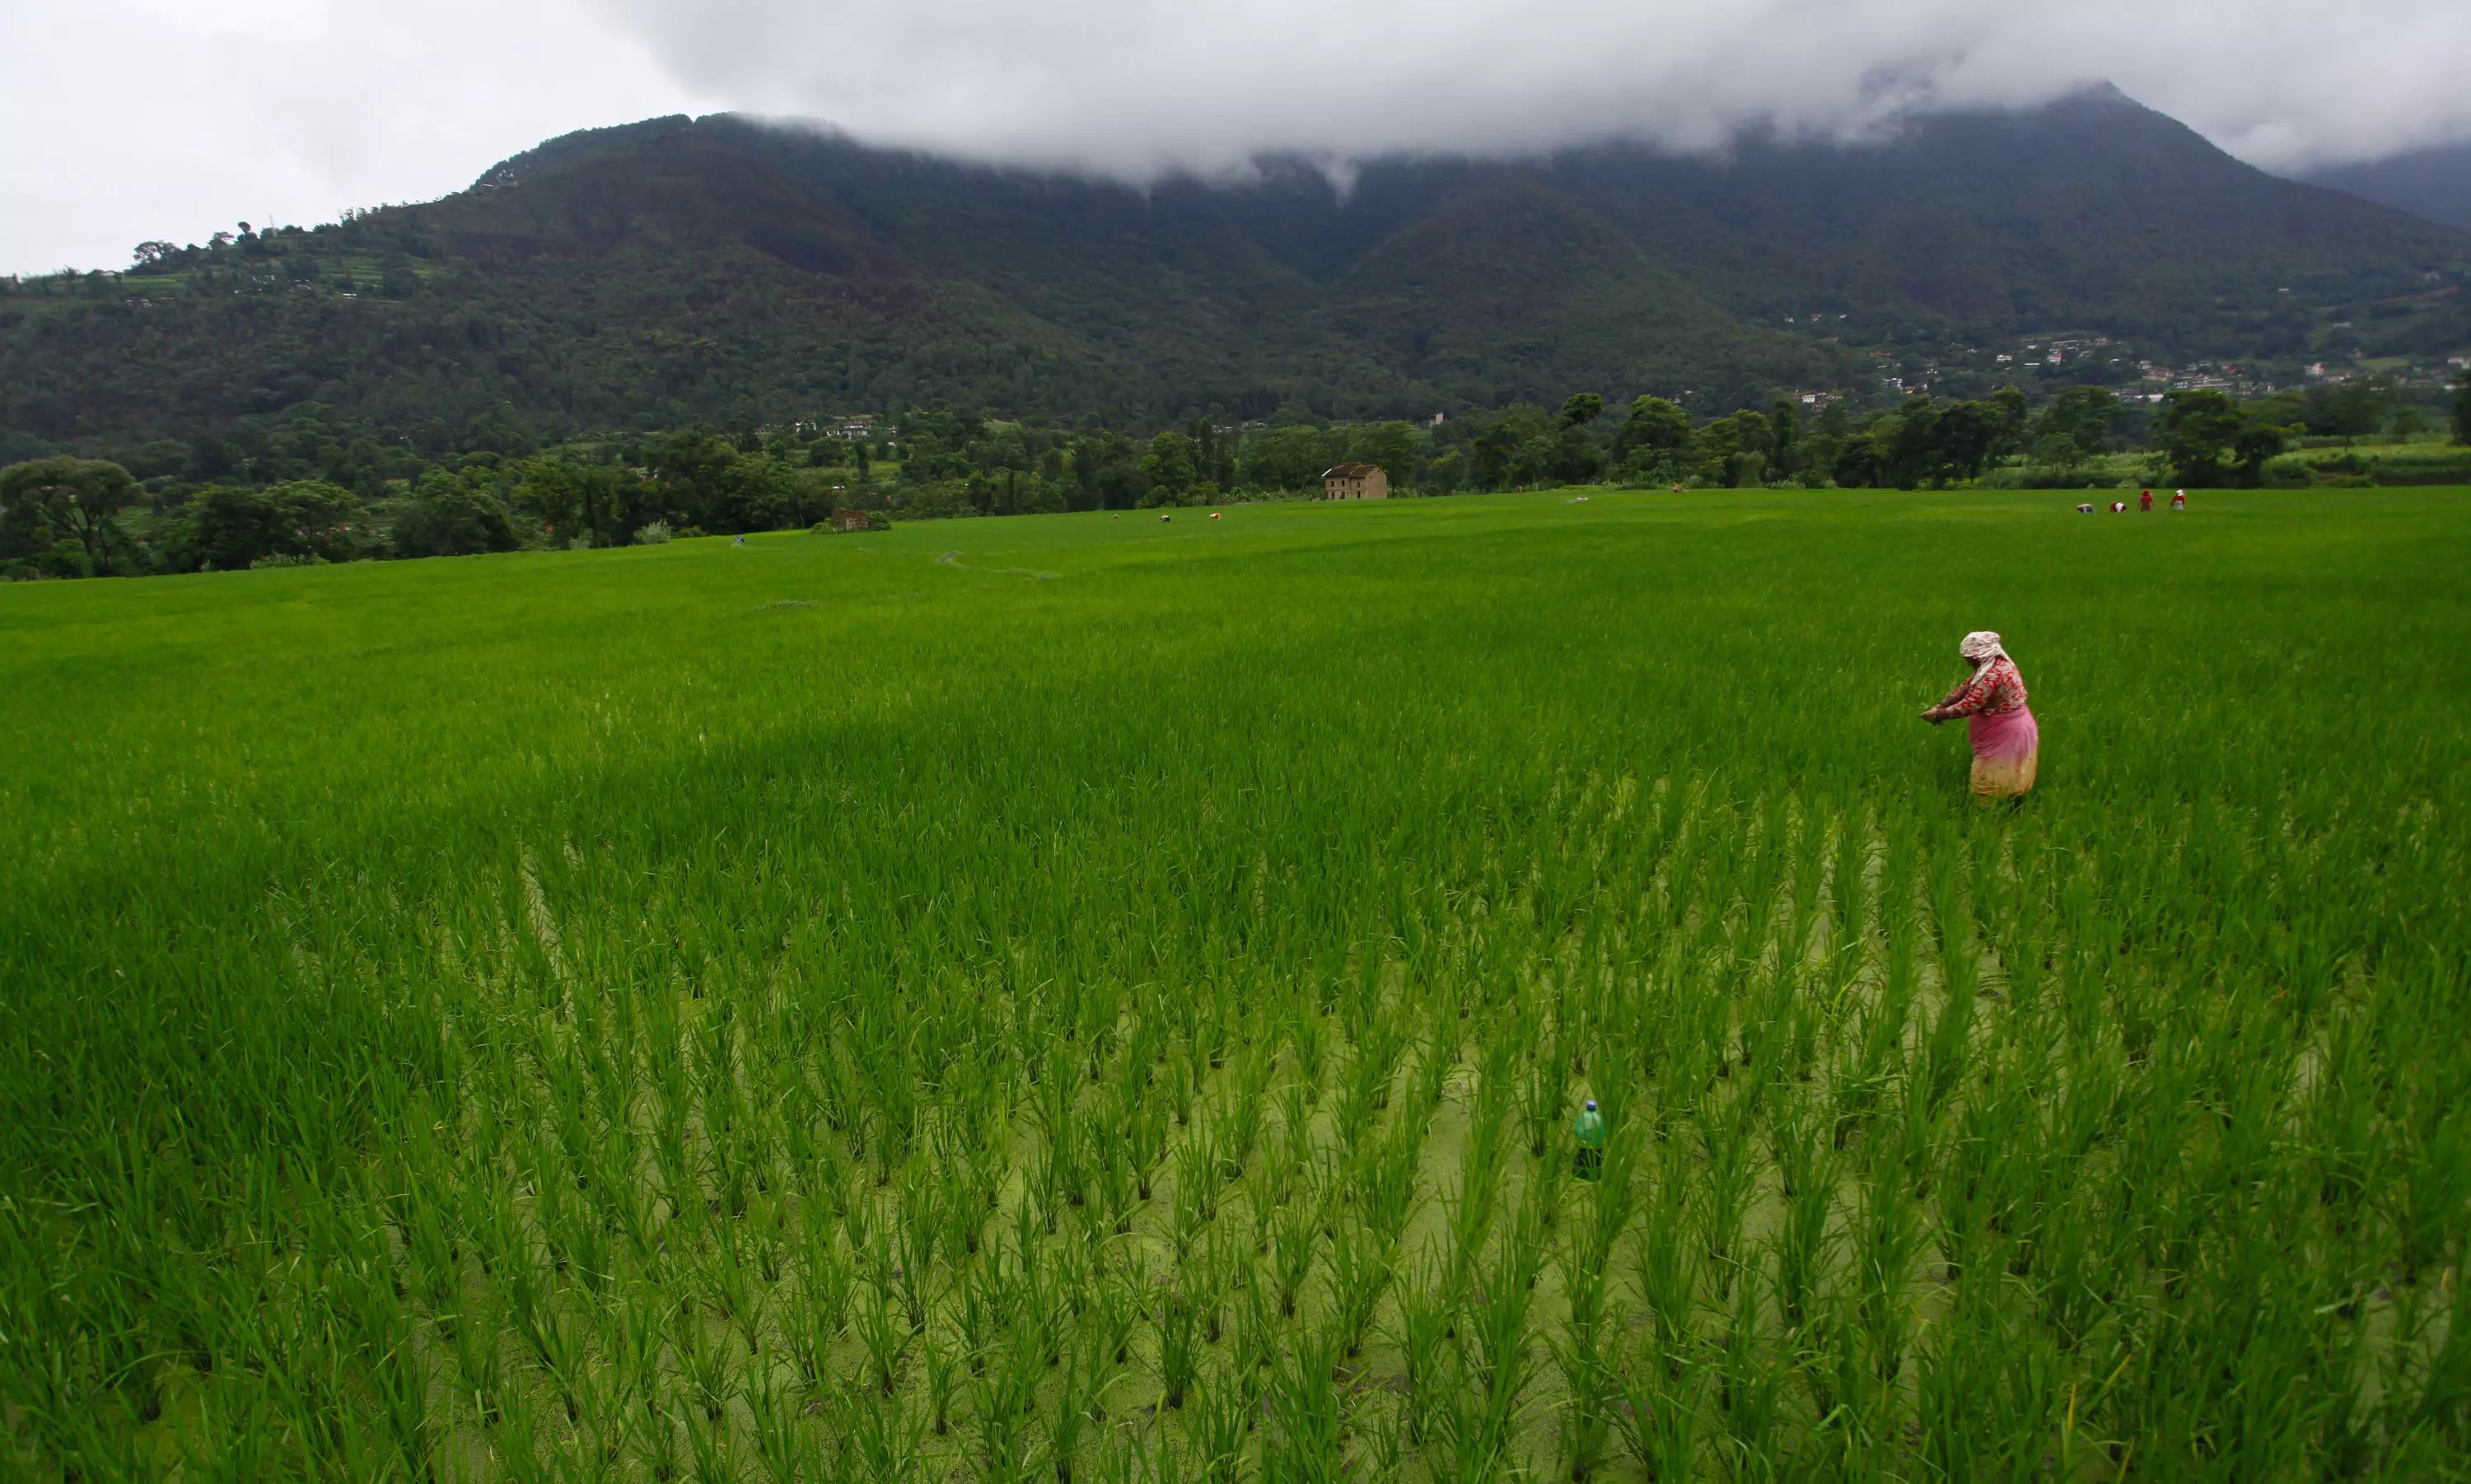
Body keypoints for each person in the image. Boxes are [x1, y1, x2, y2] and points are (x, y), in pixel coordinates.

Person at [1922, 631, 2039, 802]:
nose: (1968, 663)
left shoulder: (1993, 674)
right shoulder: (1993, 665)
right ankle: (2008, 807)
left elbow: (1970, 704)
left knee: (1991, 778)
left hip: (2007, 730)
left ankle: (1988, 814)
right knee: (2004, 773)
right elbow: (1967, 686)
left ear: (1980, 656)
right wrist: (1943, 703)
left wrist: (1939, 714)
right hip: (2010, 726)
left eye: (1970, 659)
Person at [1572, 1099, 1606, 1180]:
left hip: (1587, 1146)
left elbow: (1579, 1132)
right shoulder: (1597, 1118)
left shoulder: (1583, 1116)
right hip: (1590, 1147)